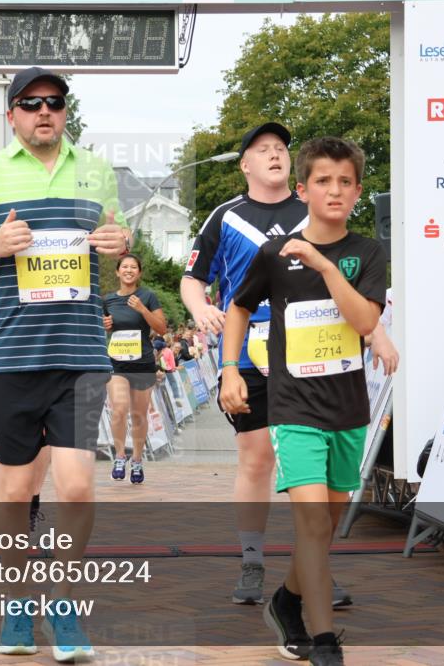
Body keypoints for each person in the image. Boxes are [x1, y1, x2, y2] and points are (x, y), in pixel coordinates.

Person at [0, 66, 130, 662]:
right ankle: (19, 606)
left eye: (54, 102)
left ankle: (64, 605)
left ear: (65, 112)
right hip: (14, 354)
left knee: (75, 487)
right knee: (17, 492)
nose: (44, 111)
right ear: (12, 114)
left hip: (80, 354)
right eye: (30, 103)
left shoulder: (95, 170)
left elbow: (115, 235)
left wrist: (119, 242)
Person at [179, 122, 398, 609]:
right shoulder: (226, 216)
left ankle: (312, 569)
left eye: (281, 147)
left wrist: (378, 334)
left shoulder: (318, 208)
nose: (275, 154)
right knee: (257, 456)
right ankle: (253, 559)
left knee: (322, 476)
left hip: (317, 353)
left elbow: (356, 292)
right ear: (246, 165)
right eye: (263, 149)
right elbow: (193, 279)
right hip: (253, 348)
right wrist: (201, 311)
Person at [220, 136, 386, 666]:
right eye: (322, 181)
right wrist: (229, 370)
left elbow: (364, 322)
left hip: (348, 410)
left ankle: (287, 601)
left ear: (357, 192)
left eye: (344, 182)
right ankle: (323, 640)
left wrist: (324, 265)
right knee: (312, 525)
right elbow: (239, 308)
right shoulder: (274, 254)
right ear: (303, 189)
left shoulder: (367, 252)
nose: (334, 190)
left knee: (326, 527)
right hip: (293, 409)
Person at [102, 253, 166, 483]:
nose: (129, 270)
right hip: (116, 363)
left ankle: (137, 460)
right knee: (119, 409)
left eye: (133, 267)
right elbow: (102, 327)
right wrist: (104, 325)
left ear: (138, 273)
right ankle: (120, 456)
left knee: (139, 415)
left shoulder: (147, 296)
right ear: (118, 271)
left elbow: (161, 328)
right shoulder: (108, 300)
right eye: (125, 267)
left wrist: (142, 309)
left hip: (142, 364)